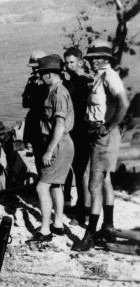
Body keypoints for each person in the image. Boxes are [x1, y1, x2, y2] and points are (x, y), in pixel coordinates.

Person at [73, 40, 129, 251]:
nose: (93, 60)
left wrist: (109, 126)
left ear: (106, 59)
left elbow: (123, 103)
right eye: (91, 57)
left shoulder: (110, 76)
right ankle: (108, 227)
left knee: (93, 186)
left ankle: (90, 236)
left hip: (104, 135)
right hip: (98, 135)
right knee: (105, 182)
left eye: (98, 57)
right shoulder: (101, 76)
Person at [28, 54, 75, 243]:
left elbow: (59, 125)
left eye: (41, 73)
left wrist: (49, 150)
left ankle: (45, 231)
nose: (40, 77)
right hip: (59, 143)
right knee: (55, 186)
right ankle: (57, 225)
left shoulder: (58, 94)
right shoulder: (53, 91)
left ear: (49, 74)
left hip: (58, 144)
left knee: (42, 186)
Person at [63, 47, 93, 226]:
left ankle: (85, 212)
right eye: (66, 63)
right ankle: (81, 205)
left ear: (80, 62)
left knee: (83, 173)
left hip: (83, 132)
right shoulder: (74, 80)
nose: (68, 66)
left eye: (71, 62)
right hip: (75, 131)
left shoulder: (85, 81)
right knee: (78, 170)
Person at [22, 50, 49, 174]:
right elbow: (25, 103)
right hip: (35, 121)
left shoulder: (49, 82)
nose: (35, 71)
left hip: (45, 121)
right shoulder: (31, 82)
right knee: (38, 155)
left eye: (36, 68)